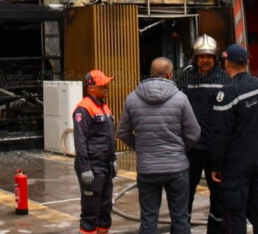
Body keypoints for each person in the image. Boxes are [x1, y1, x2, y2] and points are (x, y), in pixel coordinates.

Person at [210, 45, 258, 234]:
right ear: (246, 63)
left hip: (235, 165)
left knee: (234, 213)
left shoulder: (227, 93)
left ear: (227, 63)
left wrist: (215, 165)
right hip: (257, 160)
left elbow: (220, 135)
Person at [117, 57, 201, 234]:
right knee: (180, 218)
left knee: (148, 219)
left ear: (151, 73)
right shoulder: (180, 98)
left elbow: (123, 132)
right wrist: (180, 149)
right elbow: (194, 132)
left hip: (147, 169)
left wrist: (140, 147)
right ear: (170, 74)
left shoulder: (132, 99)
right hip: (176, 168)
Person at [177, 34, 229, 232]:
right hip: (191, 149)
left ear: (215, 58)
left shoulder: (224, 79)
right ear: (195, 58)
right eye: (201, 56)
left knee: (218, 195)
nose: (205, 60)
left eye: (209, 56)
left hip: (215, 150)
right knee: (185, 193)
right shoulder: (187, 77)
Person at [73, 69, 118, 234]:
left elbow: (109, 136)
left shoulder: (104, 107)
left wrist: (112, 159)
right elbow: (80, 140)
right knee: (90, 210)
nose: (106, 88)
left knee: (105, 208)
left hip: (105, 165)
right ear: (91, 88)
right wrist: (85, 167)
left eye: (107, 85)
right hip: (92, 166)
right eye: (103, 86)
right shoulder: (83, 109)